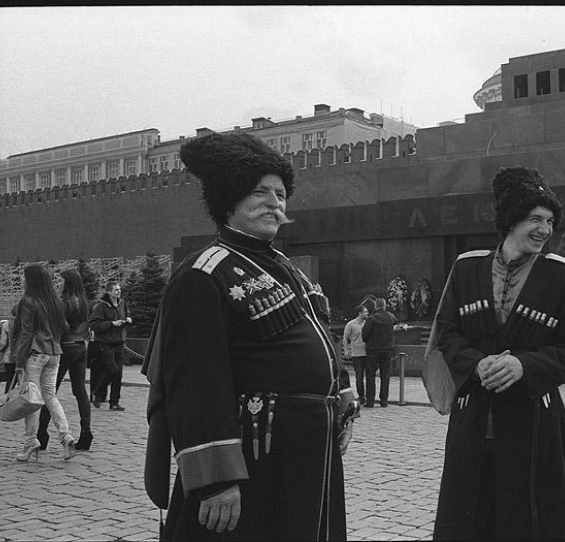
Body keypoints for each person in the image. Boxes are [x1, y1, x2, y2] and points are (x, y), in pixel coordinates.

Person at [142, 132, 356, 540]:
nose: (274, 202)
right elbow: (195, 384)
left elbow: (317, 341)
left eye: (279, 193)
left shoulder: (285, 267)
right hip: (256, 454)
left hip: (306, 451)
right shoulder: (204, 274)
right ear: (229, 199)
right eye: (259, 192)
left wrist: (342, 398)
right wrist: (216, 479)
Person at [429, 166, 565, 539]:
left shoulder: (563, 277)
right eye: (536, 218)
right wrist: (476, 363)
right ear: (511, 219)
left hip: (535, 421)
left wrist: (524, 366)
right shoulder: (466, 268)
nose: (545, 229)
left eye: (550, 221)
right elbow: (448, 334)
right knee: (472, 516)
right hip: (474, 422)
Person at [12, 264, 76, 462]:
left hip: (35, 353)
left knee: (32, 399)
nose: (22, 280)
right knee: (50, 396)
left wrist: (19, 361)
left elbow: (26, 332)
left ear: (30, 280)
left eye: (24, 277)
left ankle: (30, 441)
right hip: (54, 353)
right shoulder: (54, 301)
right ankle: (66, 436)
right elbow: (64, 326)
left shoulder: (29, 301)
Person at [37, 269, 94, 451]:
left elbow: (59, 326)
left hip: (65, 347)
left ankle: (41, 433)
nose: (59, 284)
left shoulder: (65, 302)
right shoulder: (85, 301)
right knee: (80, 391)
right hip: (80, 347)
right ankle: (86, 432)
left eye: (61, 281)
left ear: (67, 283)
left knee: (50, 391)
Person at [88, 281, 131, 411]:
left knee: (118, 374)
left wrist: (128, 319)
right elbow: (94, 325)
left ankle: (114, 402)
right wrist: (112, 324)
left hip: (119, 342)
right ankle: (97, 392)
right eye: (116, 290)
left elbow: (127, 313)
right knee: (112, 370)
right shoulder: (101, 306)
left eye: (119, 290)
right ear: (109, 292)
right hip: (105, 343)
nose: (119, 292)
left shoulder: (122, 303)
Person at [361, 298, 397, 408]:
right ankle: (384, 401)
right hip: (387, 350)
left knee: (370, 375)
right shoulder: (390, 318)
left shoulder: (372, 318)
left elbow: (365, 334)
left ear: (376, 306)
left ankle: (370, 401)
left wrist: (369, 341)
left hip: (373, 349)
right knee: (385, 375)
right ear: (385, 306)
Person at [343, 305, 369, 401]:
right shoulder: (351, 324)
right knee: (359, 377)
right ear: (360, 313)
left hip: (368, 353)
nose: (367, 313)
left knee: (369, 376)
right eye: (365, 312)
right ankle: (361, 396)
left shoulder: (367, 323)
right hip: (357, 354)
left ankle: (369, 395)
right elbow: (345, 337)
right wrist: (346, 350)